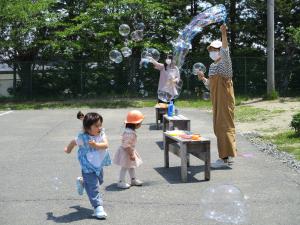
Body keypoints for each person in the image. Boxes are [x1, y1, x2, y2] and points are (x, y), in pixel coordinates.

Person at [197, 24, 237, 168]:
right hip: (216, 101)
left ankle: (224, 158)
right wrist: (203, 79)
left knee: (224, 126)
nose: (212, 52)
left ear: (220, 51)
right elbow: (210, 85)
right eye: (211, 50)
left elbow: (226, 50)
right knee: (219, 127)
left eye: (215, 50)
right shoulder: (213, 66)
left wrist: (224, 33)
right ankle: (228, 156)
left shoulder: (225, 63)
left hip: (224, 101)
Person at [64, 112, 111, 219]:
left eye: (100, 124)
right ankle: (98, 207)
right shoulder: (83, 138)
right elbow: (73, 142)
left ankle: (82, 182)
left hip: (98, 165)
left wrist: (96, 145)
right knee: (94, 187)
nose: (100, 127)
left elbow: (106, 144)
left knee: (98, 181)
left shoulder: (101, 134)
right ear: (88, 128)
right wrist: (68, 150)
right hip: (87, 166)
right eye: (96, 126)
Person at [113, 110, 144, 189]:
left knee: (131, 166)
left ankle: (133, 179)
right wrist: (131, 154)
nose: (141, 124)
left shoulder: (129, 131)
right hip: (126, 152)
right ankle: (121, 181)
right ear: (136, 124)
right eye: (140, 123)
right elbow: (126, 145)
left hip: (128, 151)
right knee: (125, 167)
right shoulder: (130, 134)